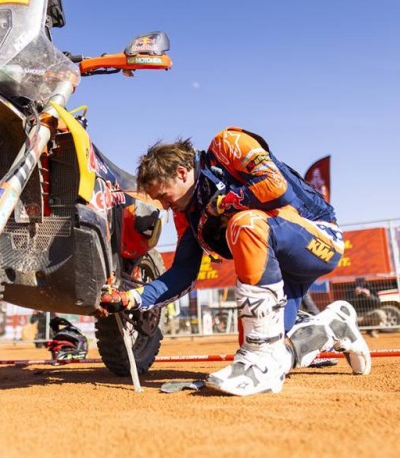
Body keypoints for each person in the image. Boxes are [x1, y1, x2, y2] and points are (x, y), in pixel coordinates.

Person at [99, 129, 371, 396]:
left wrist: (222, 204)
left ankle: (260, 356)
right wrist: (131, 298)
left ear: (181, 173)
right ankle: (332, 325)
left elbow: (278, 188)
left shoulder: (226, 145)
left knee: (245, 224)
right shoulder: (187, 215)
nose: (165, 206)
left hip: (319, 236)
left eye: (162, 195)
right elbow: (183, 273)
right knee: (270, 349)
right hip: (279, 269)